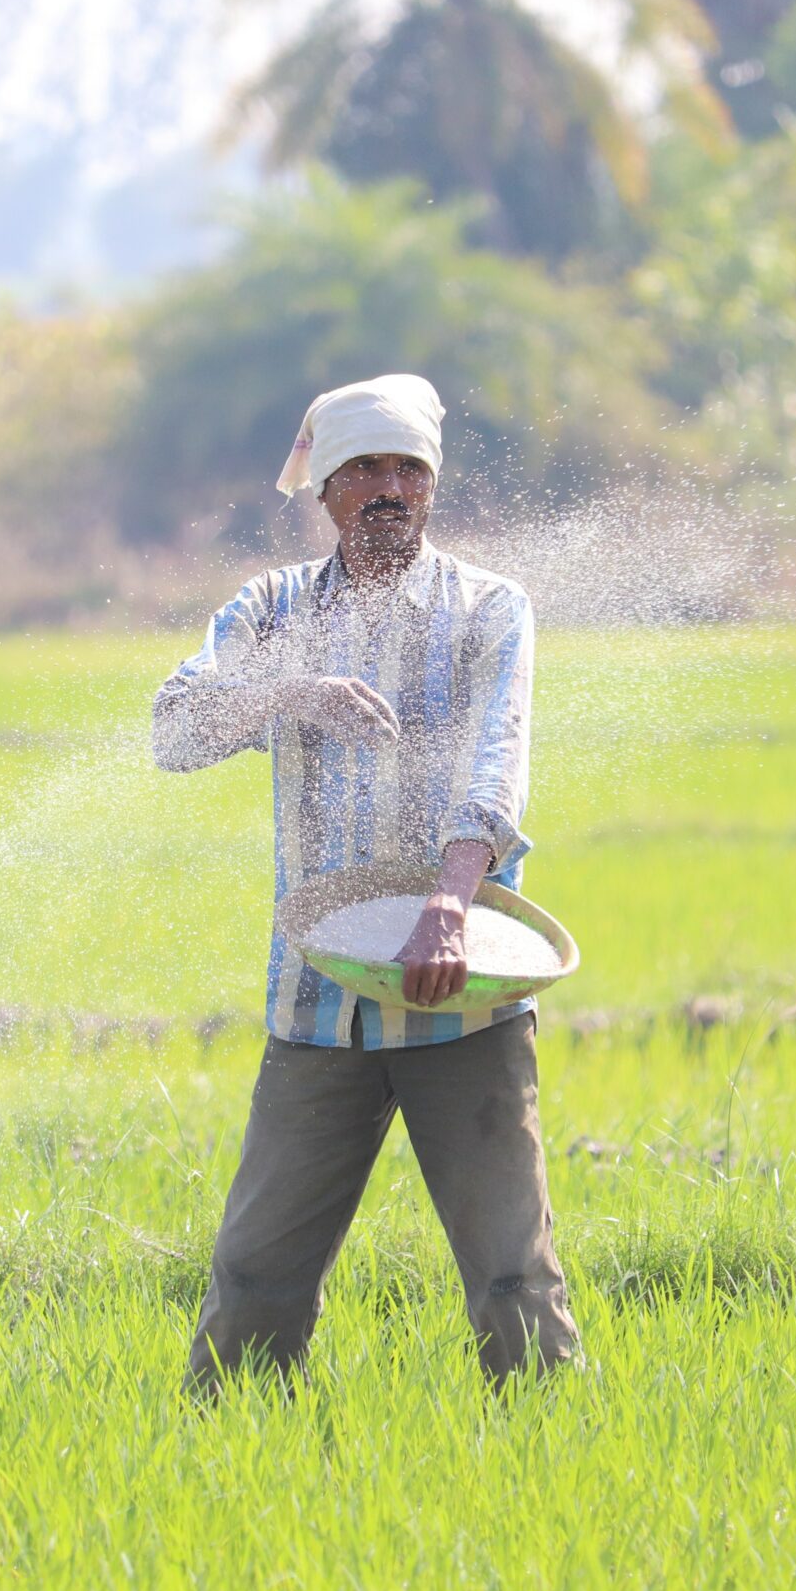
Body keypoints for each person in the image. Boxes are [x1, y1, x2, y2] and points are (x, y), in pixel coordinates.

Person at [153, 372, 579, 1390]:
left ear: (431, 485)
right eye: (364, 470)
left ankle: (556, 1461)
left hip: (458, 999)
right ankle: (221, 1461)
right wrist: (290, 689)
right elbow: (174, 730)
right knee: (255, 1277)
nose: (389, 488)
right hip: (317, 1007)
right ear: (326, 492)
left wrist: (450, 901)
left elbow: (495, 757)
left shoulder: (488, 608)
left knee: (514, 1281)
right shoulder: (270, 610)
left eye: (407, 469)